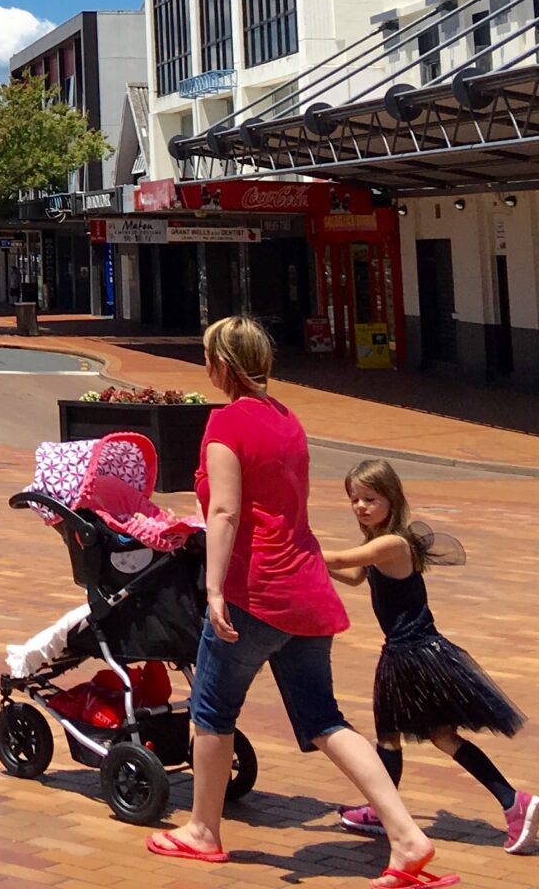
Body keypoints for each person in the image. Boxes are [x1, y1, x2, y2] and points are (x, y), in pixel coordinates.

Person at [147, 317, 451, 887]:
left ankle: (203, 831)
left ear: (223, 365)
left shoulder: (225, 423)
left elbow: (225, 512)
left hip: (255, 590)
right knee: (323, 719)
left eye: (208, 356)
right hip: (306, 588)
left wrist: (214, 590)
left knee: (212, 711)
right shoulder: (287, 419)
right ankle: (407, 836)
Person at [325, 460, 539, 855]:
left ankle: (510, 801)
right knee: (418, 736)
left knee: (404, 737)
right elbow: (353, 575)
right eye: (354, 499)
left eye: (370, 499)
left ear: (392, 499)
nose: (360, 506)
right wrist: (311, 565)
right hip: (411, 652)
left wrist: (294, 548)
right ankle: (510, 802)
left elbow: (340, 561)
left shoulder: (392, 543)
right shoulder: (380, 544)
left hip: (412, 654)